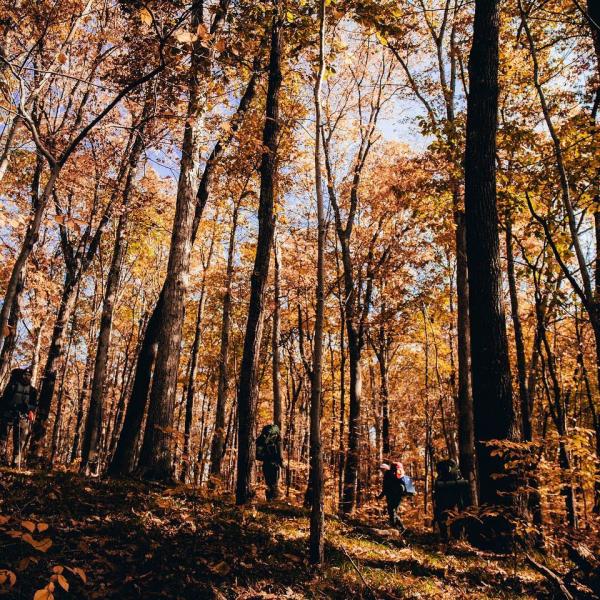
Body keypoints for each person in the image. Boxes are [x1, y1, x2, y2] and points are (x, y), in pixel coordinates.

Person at [0, 367, 38, 467]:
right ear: (22, 375)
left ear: (31, 377)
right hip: (8, 413)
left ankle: (16, 461)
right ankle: (2, 457)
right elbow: (4, 399)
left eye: (29, 375)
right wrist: (11, 407)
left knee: (19, 440)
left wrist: (28, 408)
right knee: (2, 436)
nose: (27, 376)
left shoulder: (33, 391)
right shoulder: (13, 386)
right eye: (25, 374)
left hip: (22, 416)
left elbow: (34, 405)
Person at [433, 458, 469, 541]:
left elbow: (437, 489)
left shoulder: (441, 475)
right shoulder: (455, 473)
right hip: (453, 499)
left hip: (443, 499)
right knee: (454, 517)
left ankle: (445, 537)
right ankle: (455, 538)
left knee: (443, 517)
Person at [378, 461, 414, 532]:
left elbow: (385, 488)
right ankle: (401, 528)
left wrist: (380, 496)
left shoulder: (389, 475)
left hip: (394, 496)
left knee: (392, 511)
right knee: (392, 511)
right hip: (395, 495)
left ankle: (396, 528)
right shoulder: (395, 475)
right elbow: (385, 487)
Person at [256, 424, 283, 501]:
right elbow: (280, 455)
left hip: (266, 464)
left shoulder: (264, 439)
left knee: (268, 483)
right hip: (274, 464)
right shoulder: (277, 439)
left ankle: (269, 500)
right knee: (274, 483)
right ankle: (272, 501)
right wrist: (281, 463)